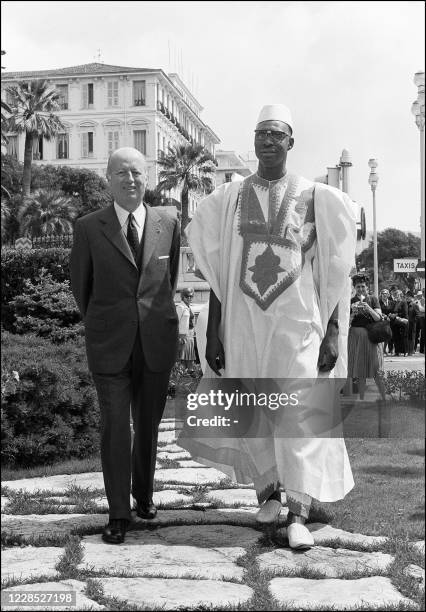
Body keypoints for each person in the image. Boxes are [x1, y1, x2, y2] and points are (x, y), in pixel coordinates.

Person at [180, 104, 357, 550]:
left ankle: (298, 510)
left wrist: (333, 329)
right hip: (244, 323)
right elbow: (219, 269)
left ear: (291, 142)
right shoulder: (229, 199)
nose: (267, 141)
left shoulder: (317, 197)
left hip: (297, 323)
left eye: (277, 134)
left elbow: (336, 269)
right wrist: (215, 328)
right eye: (261, 133)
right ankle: (268, 493)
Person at [70, 147, 180, 544]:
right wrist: (106, 321)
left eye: (137, 172)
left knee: (148, 424)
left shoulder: (168, 221)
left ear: (146, 177)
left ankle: (144, 496)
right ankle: (118, 512)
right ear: (108, 179)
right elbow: (81, 288)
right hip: (110, 342)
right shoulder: (88, 227)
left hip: (155, 339)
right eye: (121, 173)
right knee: (117, 425)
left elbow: (169, 278)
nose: (130, 179)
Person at [348, 275, 386, 400]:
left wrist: (367, 307)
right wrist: (353, 313)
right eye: (358, 286)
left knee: (376, 368)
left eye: (363, 286)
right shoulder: (351, 301)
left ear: (367, 287)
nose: (360, 289)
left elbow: (378, 318)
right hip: (356, 337)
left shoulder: (373, 299)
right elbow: (347, 322)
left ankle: (384, 397)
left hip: (371, 337)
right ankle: (362, 399)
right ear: (354, 287)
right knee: (360, 370)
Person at [176, 287, 197, 374]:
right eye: (187, 296)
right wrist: (178, 336)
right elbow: (176, 323)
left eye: (191, 296)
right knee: (182, 357)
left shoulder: (189, 307)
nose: (189, 298)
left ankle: (189, 373)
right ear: (182, 297)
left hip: (191, 335)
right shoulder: (180, 307)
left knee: (190, 356)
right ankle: (181, 376)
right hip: (183, 335)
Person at [389, 287, 408, 356]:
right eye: (395, 294)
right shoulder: (395, 302)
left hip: (403, 321)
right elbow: (392, 310)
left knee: (403, 336)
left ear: (400, 294)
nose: (396, 295)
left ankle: (405, 351)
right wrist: (391, 314)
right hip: (395, 321)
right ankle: (397, 351)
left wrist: (396, 315)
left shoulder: (403, 302)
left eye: (397, 294)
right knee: (396, 336)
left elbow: (405, 312)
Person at [379, 288, 394, 355]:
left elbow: (393, 311)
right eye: (383, 294)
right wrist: (384, 316)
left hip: (390, 321)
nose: (384, 295)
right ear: (381, 295)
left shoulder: (391, 302)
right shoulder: (379, 302)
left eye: (386, 294)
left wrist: (391, 314)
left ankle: (385, 349)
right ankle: (381, 350)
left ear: (388, 295)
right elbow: (378, 311)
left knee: (388, 335)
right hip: (382, 321)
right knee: (382, 335)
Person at [406, 292, 418, 356]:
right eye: (406, 296)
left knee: (412, 337)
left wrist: (413, 321)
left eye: (409, 296)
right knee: (407, 337)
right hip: (406, 323)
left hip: (412, 324)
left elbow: (417, 315)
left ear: (412, 297)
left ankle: (411, 350)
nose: (407, 297)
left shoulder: (414, 305)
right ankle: (407, 351)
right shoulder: (405, 304)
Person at [414, 289, 425, 353]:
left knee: (423, 334)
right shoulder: (415, 301)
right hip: (416, 318)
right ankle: (414, 349)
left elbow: (423, 310)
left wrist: (418, 305)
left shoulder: (423, 300)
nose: (419, 296)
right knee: (416, 334)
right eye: (418, 295)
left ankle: (421, 349)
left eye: (420, 295)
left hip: (422, 318)